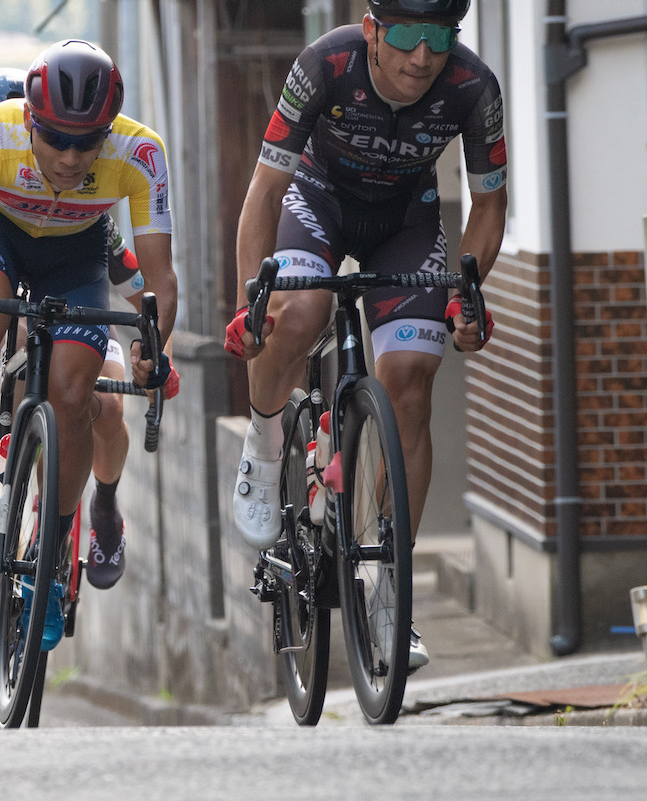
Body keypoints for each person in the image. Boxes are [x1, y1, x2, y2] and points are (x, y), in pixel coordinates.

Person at [224, 0, 505, 670]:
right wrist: (250, 302)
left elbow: (489, 203)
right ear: (374, 30)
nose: (422, 56)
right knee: (299, 313)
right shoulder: (326, 63)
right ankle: (264, 451)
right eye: (407, 35)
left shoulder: (472, 87)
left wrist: (466, 297)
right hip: (315, 201)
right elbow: (265, 191)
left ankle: (392, 597)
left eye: (439, 38)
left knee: (409, 380)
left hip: (406, 221)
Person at [0, 40, 177, 652]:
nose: (69, 155)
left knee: (73, 392)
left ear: (108, 132)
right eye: (56, 136)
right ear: (30, 118)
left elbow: (159, 279)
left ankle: (50, 563)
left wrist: (151, 346)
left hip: (77, 255)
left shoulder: (141, 152)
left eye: (87, 142)